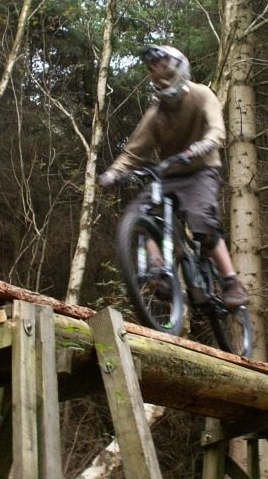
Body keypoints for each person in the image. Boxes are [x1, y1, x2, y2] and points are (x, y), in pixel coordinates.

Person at [98, 44, 249, 310]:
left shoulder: (202, 95)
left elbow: (216, 128)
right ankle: (158, 270)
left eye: (165, 69)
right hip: (168, 174)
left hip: (201, 170)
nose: (160, 76)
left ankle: (231, 281)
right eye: (154, 72)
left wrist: (206, 144)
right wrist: (113, 173)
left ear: (180, 70)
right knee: (143, 212)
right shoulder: (155, 115)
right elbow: (133, 153)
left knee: (202, 219)